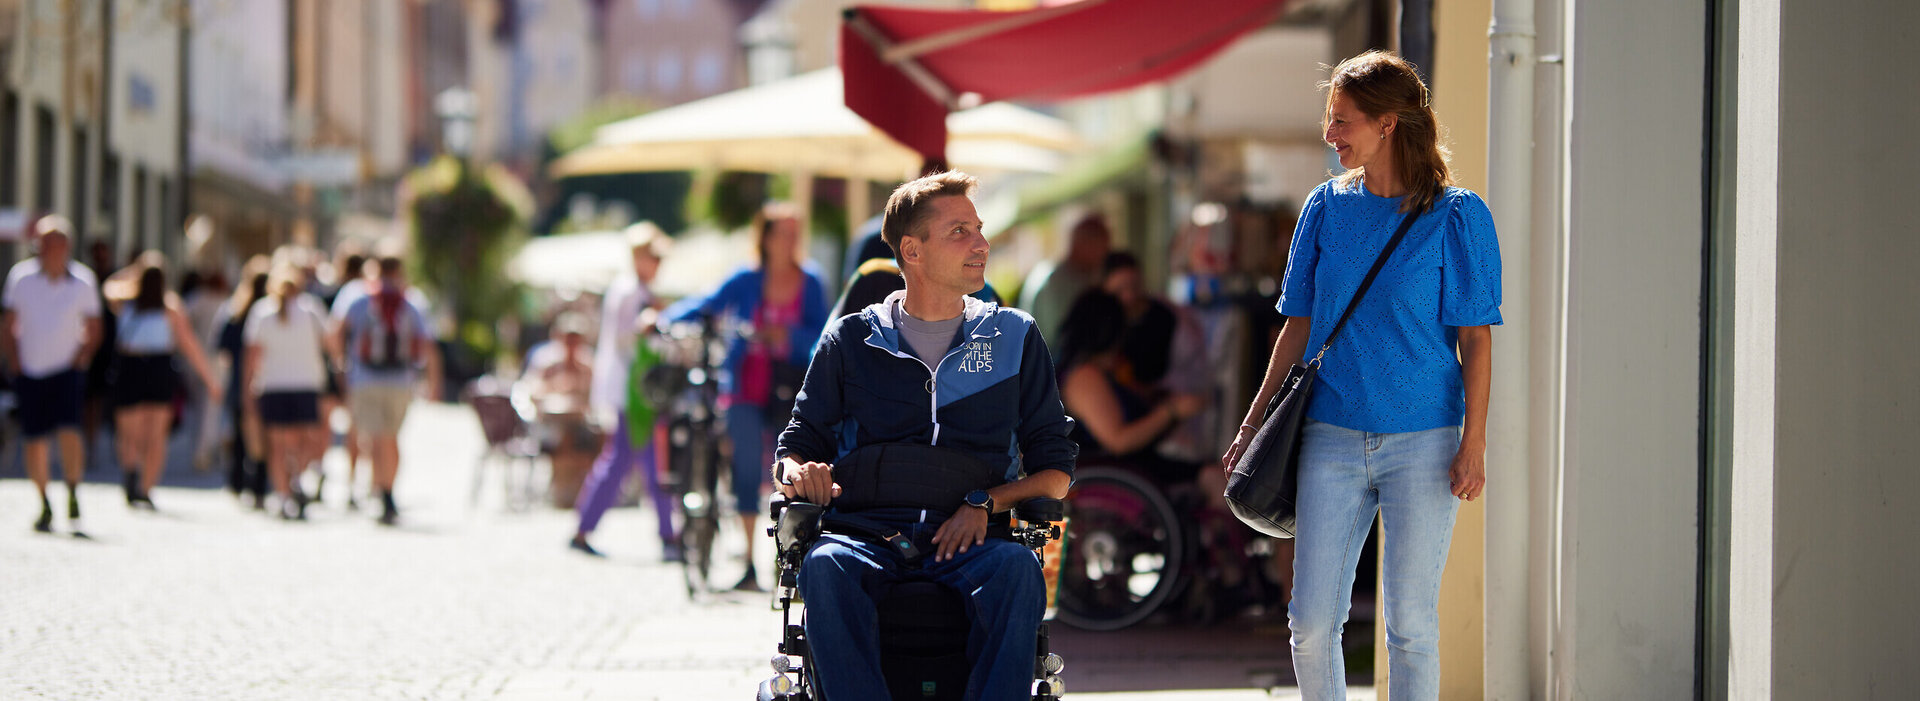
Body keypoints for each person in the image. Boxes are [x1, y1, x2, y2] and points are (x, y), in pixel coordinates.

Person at [1221, 51, 1501, 701]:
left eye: (1342, 120)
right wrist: (1253, 422)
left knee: (1411, 626)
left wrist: (1474, 442)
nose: (1330, 133)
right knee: (1311, 624)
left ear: (1387, 124)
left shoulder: (1457, 216)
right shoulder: (1324, 208)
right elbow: (1296, 327)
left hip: (1425, 441)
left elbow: (1476, 339)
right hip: (1330, 436)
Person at [776, 170, 1078, 700]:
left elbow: (1055, 475)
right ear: (911, 251)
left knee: (1018, 571)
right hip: (865, 533)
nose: (981, 244)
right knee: (824, 567)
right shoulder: (851, 339)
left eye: (979, 229)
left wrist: (986, 502)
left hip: (980, 539)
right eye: (960, 231)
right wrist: (799, 473)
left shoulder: (1014, 336)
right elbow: (794, 448)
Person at [668, 202, 829, 591]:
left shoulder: (811, 281)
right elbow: (706, 305)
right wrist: (664, 319)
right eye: (783, 232)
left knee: (789, 469)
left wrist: (786, 336)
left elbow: (824, 335)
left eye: (795, 233)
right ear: (766, 237)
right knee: (743, 468)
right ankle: (748, 562)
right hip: (744, 388)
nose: (791, 240)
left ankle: (786, 556)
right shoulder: (745, 278)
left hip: (790, 389)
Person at [570, 223, 675, 558]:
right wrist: (649, 322)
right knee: (633, 460)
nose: (657, 264)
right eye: (654, 257)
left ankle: (664, 532)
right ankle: (664, 533)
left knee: (637, 460)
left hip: (637, 390)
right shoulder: (631, 292)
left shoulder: (635, 290)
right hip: (633, 391)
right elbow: (624, 339)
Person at [2, 216, 103, 535]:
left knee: (69, 431)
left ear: (66, 247)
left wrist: (81, 358)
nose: (46, 249)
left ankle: (72, 488)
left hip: (66, 370)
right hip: (30, 369)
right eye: (43, 243)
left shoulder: (83, 281)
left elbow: (94, 327)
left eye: (53, 243)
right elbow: (8, 323)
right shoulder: (21, 278)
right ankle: (44, 501)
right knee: (34, 439)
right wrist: (14, 361)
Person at [100, 252, 222, 511]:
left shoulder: (127, 303)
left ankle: (133, 476)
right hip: (157, 371)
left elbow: (109, 285)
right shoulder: (168, 307)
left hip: (133, 369)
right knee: (154, 437)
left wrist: (133, 271)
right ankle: (145, 487)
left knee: (130, 434)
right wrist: (210, 380)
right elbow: (191, 347)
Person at [332, 255, 441, 526]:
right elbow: (428, 345)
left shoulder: (356, 297)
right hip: (400, 381)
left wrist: (341, 367)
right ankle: (388, 493)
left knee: (373, 438)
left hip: (364, 379)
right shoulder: (412, 300)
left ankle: (380, 490)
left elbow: (334, 333)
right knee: (391, 438)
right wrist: (432, 382)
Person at [244, 264, 336, 520]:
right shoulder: (310, 310)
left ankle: (286, 493)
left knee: (279, 445)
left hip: (274, 386)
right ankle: (293, 483)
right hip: (305, 385)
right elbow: (330, 344)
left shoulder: (263, 312)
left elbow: (252, 356)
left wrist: (247, 389)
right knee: (300, 442)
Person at [522, 312, 598, 508]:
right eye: (568, 339)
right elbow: (532, 391)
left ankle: (586, 490)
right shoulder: (547, 363)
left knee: (599, 436)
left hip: (580, 422)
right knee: (565, 436)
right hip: (549, 424)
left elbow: (595, 398)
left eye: (576, 340)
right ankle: (563, 490)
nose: (572, 345)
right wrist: (555, 389)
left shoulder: (587, 365)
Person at [1016, 213, 1111, 350]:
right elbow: (1056, 340)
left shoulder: (1074, 276)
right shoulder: (1054, 282)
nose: (1105, 255)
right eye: (1103, 247)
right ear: (1084, 244)